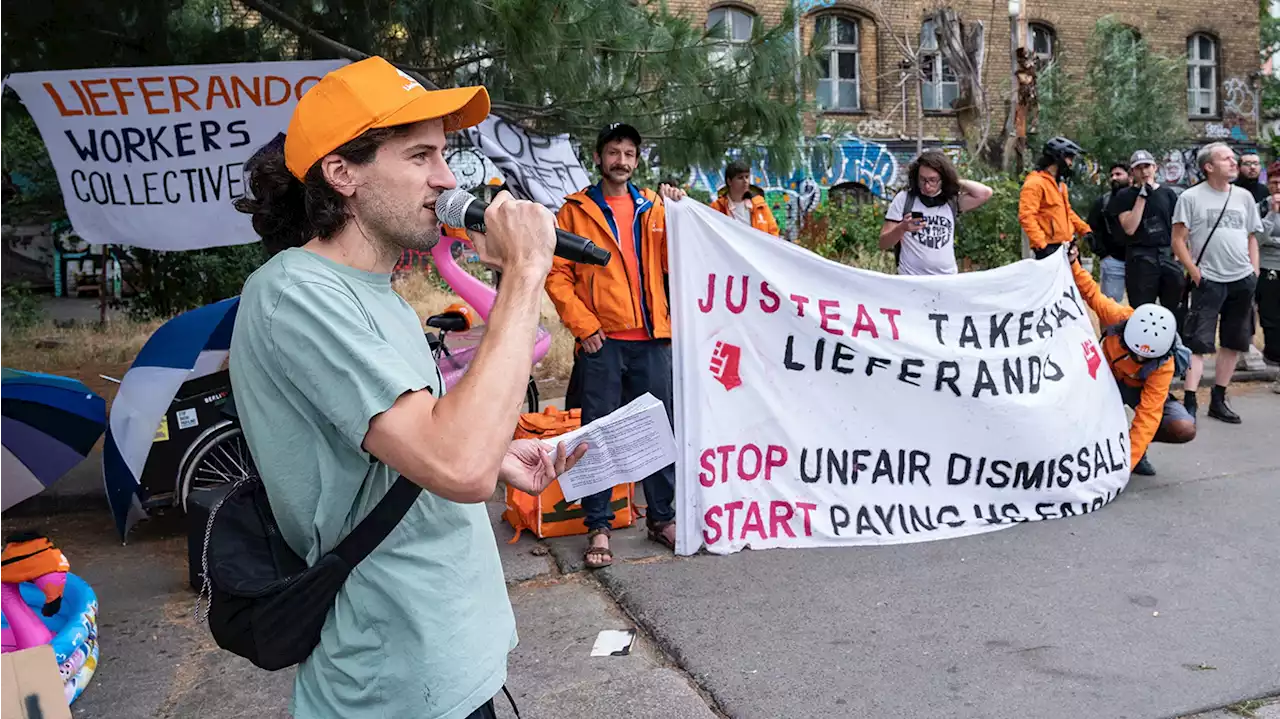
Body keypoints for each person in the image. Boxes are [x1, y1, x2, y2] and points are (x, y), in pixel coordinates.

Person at [228, 57, 586, 719]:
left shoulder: (380, 294)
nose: (447, 178)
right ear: (343, 173)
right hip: (392, 685)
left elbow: (416, 445)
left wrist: (503, 458)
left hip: (448, 663)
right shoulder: (295, 293)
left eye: (444, 154)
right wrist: (526, 273)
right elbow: (456, 464)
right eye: (420, 155)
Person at [545, 122, 685, 569]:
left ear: (637, 160)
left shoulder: (658, 208)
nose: (620, 160)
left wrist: (682, 211)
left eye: (628, 153)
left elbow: (679, 262)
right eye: (613, 152)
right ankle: (598, 525)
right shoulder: (574, 212)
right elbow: (556, 275)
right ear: (599, 158)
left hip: (653, 340)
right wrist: (585, 327)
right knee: (595, 435)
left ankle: (662, 518)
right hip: (602, 344)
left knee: (660, 431)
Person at [1066, 243, 1196, 476]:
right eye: (1135, 351)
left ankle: (1127, 449)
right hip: (1104, 380)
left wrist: (1125, 467)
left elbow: (1148, 416)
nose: (1137, 359)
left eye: (1145, 357)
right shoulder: (1120, 316)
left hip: (1138, 389)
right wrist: (1073, 262)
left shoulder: (1164, 364)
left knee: (1183, 427)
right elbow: (1090, 292)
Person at [1172, 142, 1263, 424]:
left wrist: (1254, 271)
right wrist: (1195, 273)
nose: (1233, 162)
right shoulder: (1190, 197)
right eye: (1226, 159)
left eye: (1233, 158)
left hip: (1242, 279)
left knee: (1233, 342)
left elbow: (1251, 236)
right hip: (1209, 280)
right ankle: (1189, 401)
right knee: (1198, 343)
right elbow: (1177, 241)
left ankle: (1219, 399)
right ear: (1208, 167)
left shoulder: (1244, 197)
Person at [879, 149, 993, 275]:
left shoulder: (951, 201)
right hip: (911, 279)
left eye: (933, 180)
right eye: (922, 180)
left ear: (943, 179)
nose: (927, 186)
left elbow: (984, 193)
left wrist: (953, 181)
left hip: (946, 280)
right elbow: (883, 243)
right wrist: (902, 228)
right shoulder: (904, 199)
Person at [1110, 150, 1184, 309]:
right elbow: (1129, 228)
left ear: (1155, 168)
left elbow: (1178, 227)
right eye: (1139, 168)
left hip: (1166, 254)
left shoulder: (1168, 194)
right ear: (1133, 172)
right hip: (1140, 257)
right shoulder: (1124, 196)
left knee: (1174, 308)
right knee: (1142, 310)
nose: (1144, 172)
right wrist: (1142, 196)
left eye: (1147, 166)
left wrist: (1179, 256)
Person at [1018, 136, 1093, 259]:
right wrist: (1042, 245)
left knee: (1078, 278)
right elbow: (1026, 216)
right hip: (1049, 248)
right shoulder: (1035, 183)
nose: (1071, 164)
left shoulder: (1060, 185)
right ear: (1059, 157)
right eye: (1069, 158)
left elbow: (1067, 212)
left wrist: (1085, 230)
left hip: (1066, 246)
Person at [1086, 162, 1132, 301]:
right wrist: (1103, 254)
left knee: (1141, 309)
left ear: (1129, 176)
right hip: (1113, 261)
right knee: (1109, 308)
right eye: (1111, 175)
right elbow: (1090, 229)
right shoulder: (1103, 202)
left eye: (1118, 174)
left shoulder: (1139, 198)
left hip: (1139, 261)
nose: (1114, 178)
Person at [710, 160, 780, 236]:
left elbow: (773, 233)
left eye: (747, 177)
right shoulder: (717, 207)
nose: (745, 181)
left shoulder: (760, 205)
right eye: (740, 178)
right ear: (729, 181)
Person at [1256, 161, 1280, 377]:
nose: (1278, 187)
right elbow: (1258, 239)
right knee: (1271, 317)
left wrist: (1273, 240)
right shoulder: (1261, 207)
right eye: (1274, 182)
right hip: (1268, 267)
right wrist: (1272, 214)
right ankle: (1274, 362)